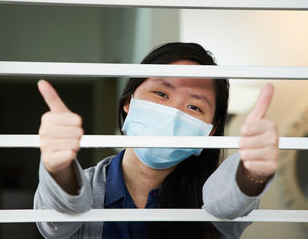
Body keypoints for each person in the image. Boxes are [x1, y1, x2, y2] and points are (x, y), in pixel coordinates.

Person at [34, 42, 279, 239]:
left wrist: (252, 173)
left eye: (194, 107)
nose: (174, 113)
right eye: (161, 94)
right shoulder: (86, 187)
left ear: (210, 130)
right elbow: (56, 219)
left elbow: (229, 203)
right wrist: (60, 168)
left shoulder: (209, 199)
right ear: (129, 101)